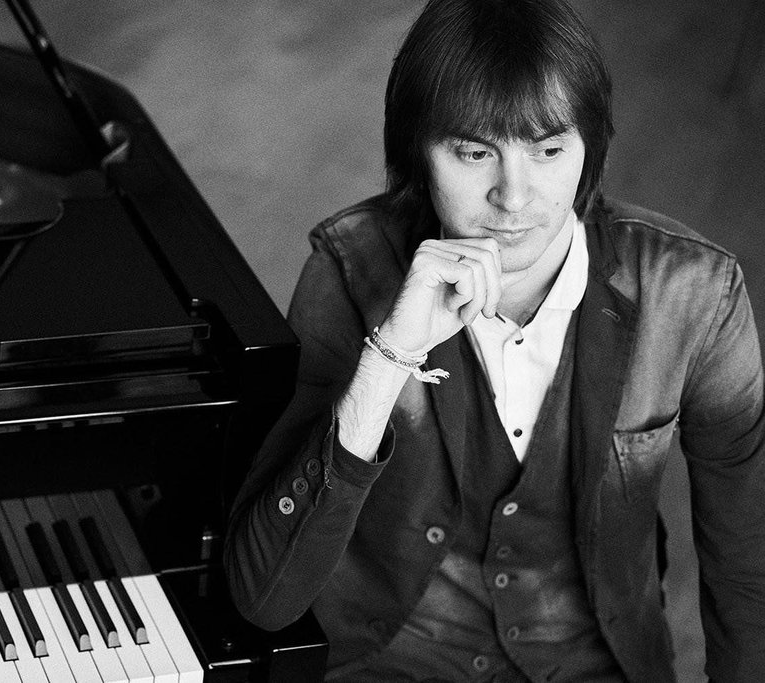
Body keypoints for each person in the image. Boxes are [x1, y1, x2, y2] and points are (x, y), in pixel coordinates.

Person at [223, 0, 765, 680]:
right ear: (419, 153)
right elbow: (265, 597)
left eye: (549, 150)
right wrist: (389, 356)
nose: (513, 197)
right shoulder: (351, 269)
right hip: (390, 662)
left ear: (589, 150)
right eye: (475, 152)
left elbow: (748, 570)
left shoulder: (693, 292)